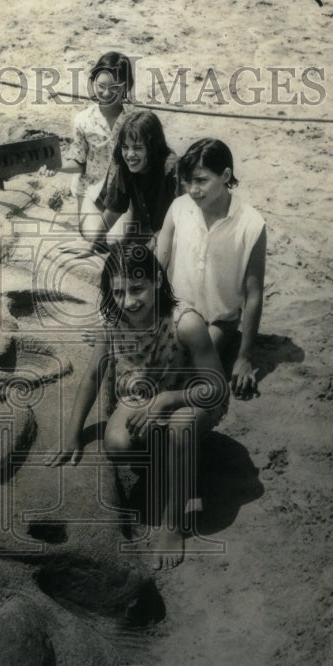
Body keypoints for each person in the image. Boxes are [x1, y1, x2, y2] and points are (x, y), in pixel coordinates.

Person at [45, 242, 228, 570]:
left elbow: (216, 388)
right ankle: (173, 460)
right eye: (118, 292)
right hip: (139, 396)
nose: (128, 301)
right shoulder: (114, 321)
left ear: (157, 281)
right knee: (116, 443)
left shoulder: (184, 323)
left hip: (189, 397)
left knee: (180, 427)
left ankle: (173, 523)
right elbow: (92, 377)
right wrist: (73, 434)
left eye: (137, 289)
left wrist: (168, 399)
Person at [155, 138, 267, 400]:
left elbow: (253, 295)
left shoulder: (251, 225)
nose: (193, 190)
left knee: (190, 374)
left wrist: (245, 357)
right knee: (157, 369)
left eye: (201, 180)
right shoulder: (179, 208)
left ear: (225, 175)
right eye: (187, 181)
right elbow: (157, 266)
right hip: (177, 312)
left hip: (219, 320)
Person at [39, 51, 134, 232]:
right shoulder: (83, 120)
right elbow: (79, 162)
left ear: (126, 86)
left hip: (124, 192)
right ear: (93, 83)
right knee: (93, 236)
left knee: (117, 240)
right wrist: (56, 167)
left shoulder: (134, 119)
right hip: (91, 189)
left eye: (115, 87)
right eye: (101, 86)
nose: (106, 93)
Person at [84, 110, 180, 253]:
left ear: (152, 147)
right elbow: (114, 208)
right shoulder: (127, 166)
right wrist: (93, 245)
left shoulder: (171, 170)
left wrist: (153, 242)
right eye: (125, 147)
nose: (129, 155)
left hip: (168, 230)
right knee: (109, 241)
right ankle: (89, 198)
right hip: (141, 219)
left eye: (137, 148)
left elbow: (180, 221)